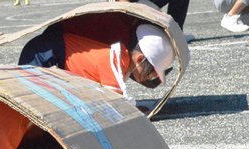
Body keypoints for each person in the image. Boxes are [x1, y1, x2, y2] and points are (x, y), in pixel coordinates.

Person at [18, 14, 175, 100]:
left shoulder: (121, 52)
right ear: (140, 59)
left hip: (50, 48)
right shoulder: (116, 56)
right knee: (34, 106)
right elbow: (114, 106)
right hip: (45, 54)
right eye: (153, 72)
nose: (152, 78)